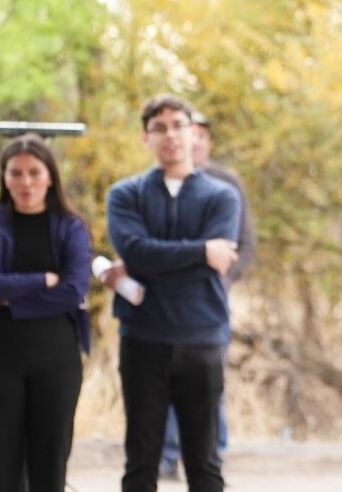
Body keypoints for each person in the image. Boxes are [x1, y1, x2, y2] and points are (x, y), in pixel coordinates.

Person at [106, 95, 240, 491]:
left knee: (204, 464)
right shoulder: (125, 194)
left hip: (201, 340)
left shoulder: (221, 196)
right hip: (143, 341)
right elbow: (134, 252)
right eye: (159, 128)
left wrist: (153, 260)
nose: (170, 135)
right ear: (146, 137)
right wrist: (200, 251)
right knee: (141, 462)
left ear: (192, 131)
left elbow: (149, 258)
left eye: (178, 125)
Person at [0, 133, 92, 491]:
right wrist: (42, 280)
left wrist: (11, 298)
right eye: (15, 173)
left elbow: (73, 291)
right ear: (3, 177)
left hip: (56, 358)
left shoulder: (71, 226)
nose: (25, 182)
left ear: (50, 175)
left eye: (34, 172)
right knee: (1, 466)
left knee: (50, 465)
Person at [159, 111, 258, 481]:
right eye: (190, 134)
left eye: (201, 135)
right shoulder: (157, 185)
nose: (195, 142)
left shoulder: (226, 184)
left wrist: (222, 281)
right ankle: (168, 456)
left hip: (210, 303)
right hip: (164, 302)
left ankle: (210, 454)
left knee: (208, 382)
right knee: (164, 379)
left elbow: (246, 245)